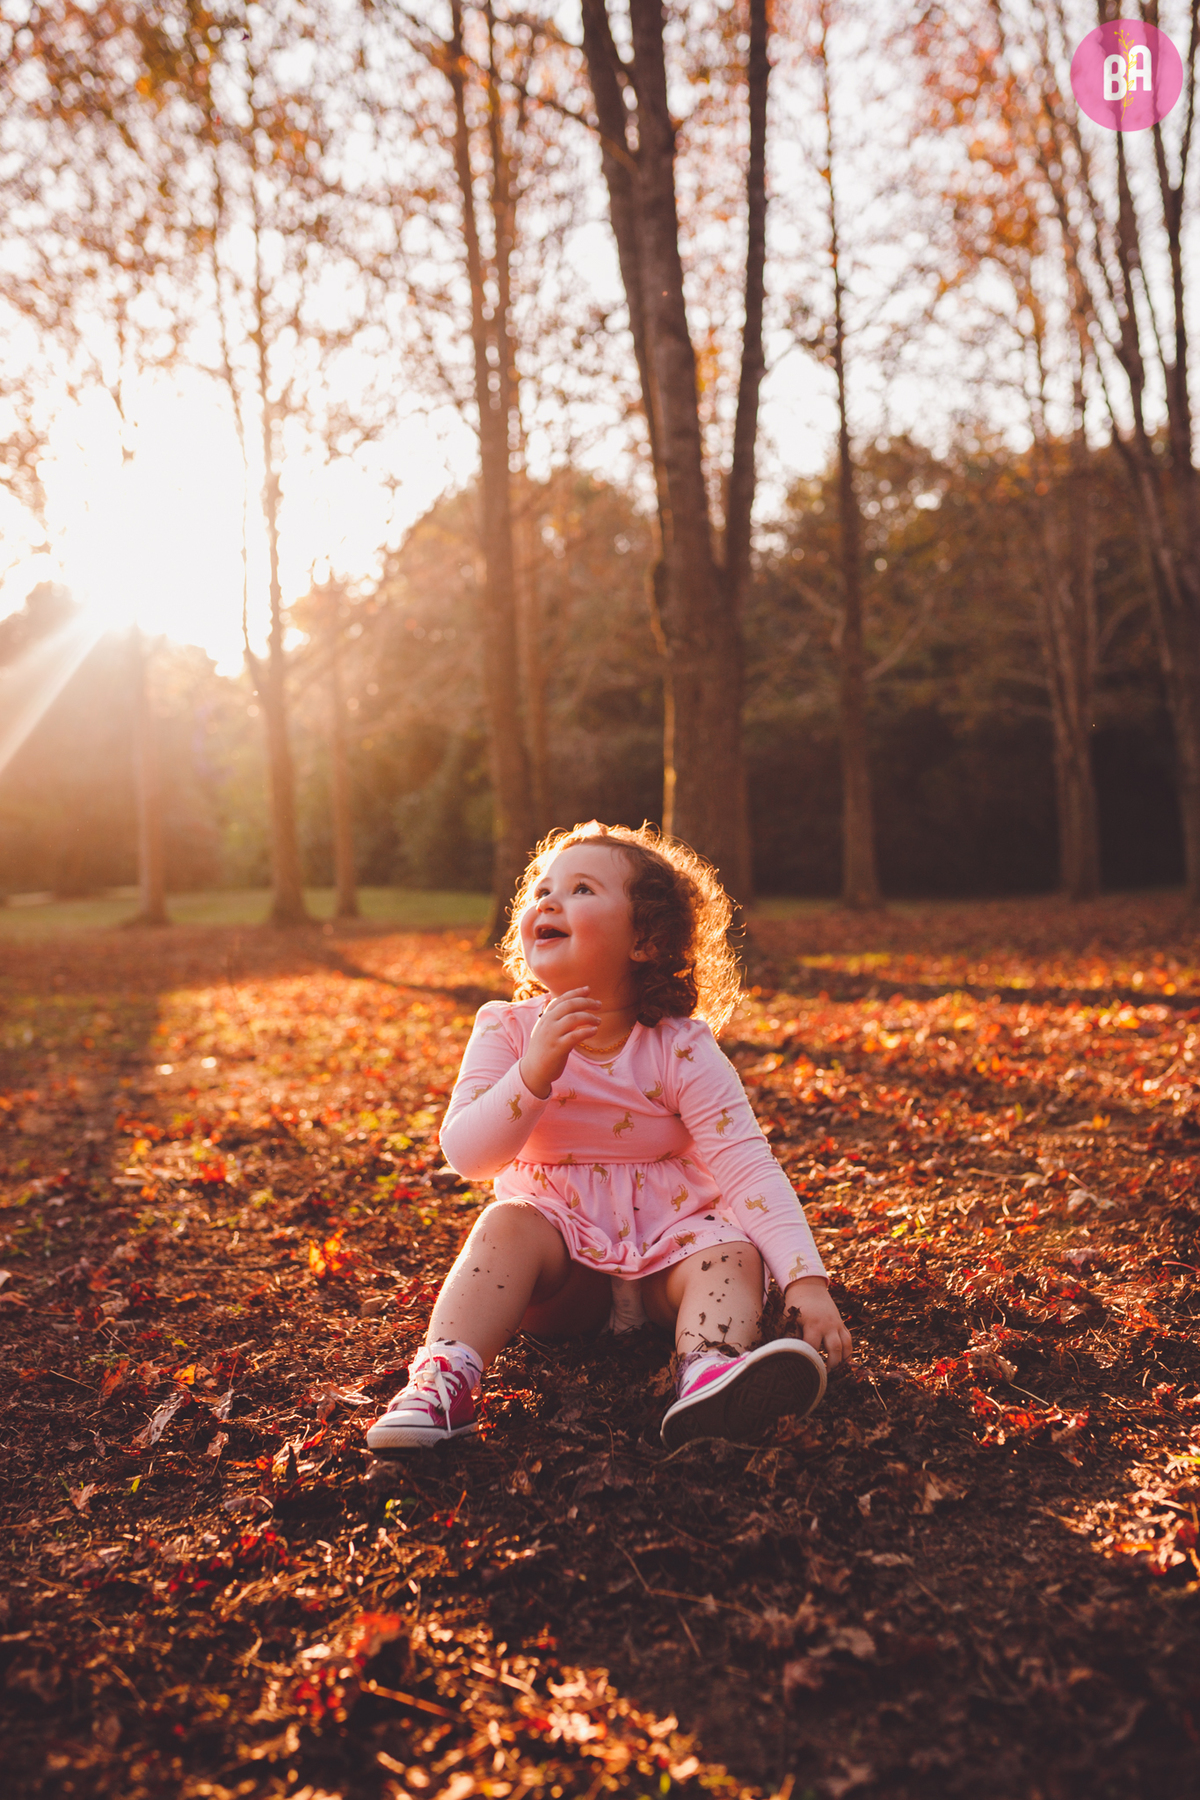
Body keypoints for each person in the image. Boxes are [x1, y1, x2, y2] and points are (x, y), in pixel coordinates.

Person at [366, 822, 851, 1455]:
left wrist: (805, 1283)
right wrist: (533, 1072)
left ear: (645, 938)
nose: (547, 900)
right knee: (504, 1225)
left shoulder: (681, 1046)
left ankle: (710, 1369)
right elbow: (466, 1154)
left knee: (732, 1252)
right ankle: (445, 1379)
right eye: (541, 889)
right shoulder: (507, 1031)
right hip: (562, 1273)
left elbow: (747, 1169)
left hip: (669, 1262)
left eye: (581, 888)